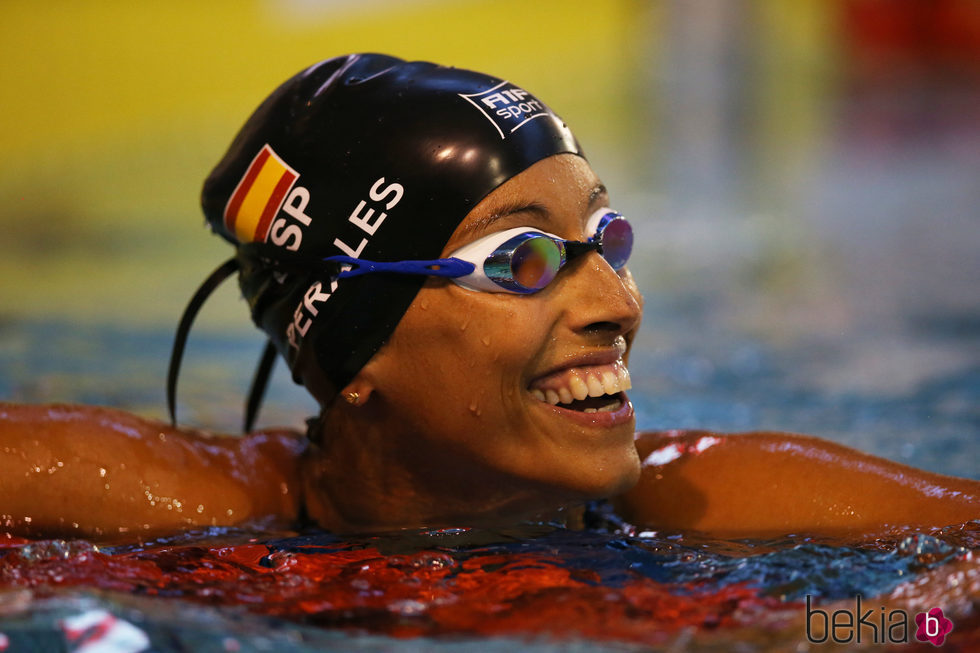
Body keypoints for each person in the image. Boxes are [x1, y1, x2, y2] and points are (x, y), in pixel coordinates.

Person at [1, 54, 977, 541]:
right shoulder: (196, 519)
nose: (618, 304)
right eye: (523, 261)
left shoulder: (700, 504)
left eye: (607, 239)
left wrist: (861, 629)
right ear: (355, 348)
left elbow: (931, 605)